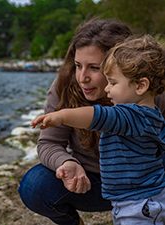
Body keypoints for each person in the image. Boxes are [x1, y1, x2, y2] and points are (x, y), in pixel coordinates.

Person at [18, 18, 165, 225]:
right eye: (78, 66)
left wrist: (63, 115)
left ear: (123, 65)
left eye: (95, 68)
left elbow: (97, 116)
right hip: (91, 183)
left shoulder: (148, 96)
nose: (82, 77)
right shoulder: (65, 86)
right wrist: (67, 162)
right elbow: (48, 143)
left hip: (145, 187)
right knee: (34, 185)